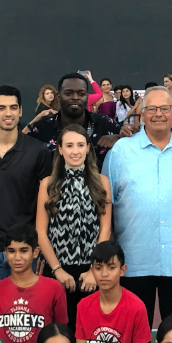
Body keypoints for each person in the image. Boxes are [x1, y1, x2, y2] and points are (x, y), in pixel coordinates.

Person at [102, 86, 172, 323]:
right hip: (131, 261)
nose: (158, 114)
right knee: (132, 333)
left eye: (165, 108)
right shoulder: (121, 152)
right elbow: (105, 206)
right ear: (141, 114)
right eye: (151, 108)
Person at [0, 85, 53, 287]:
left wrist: (42, 248)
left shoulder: (38, 150)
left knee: (26, 314)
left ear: (20, 111)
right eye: (1, 108)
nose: (7, 113)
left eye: (13, 107)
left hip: (26, 247)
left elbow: (49, 202)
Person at [37, 124, 112, 327]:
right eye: (69, 145)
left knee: (90, 329)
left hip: (90, 272)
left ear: (88, 148)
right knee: (59, 331)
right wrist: (57, 269)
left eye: (80, 145)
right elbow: (41, 232)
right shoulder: (48, 184)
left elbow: (105, 229)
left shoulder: (102, 182)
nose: (75, 151)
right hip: (58, 270)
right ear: (60, 149)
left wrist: (94, 270)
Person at [24, 73, 126, 165]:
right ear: (59, 97)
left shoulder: (105, 123)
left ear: (87, 97)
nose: (75, 97)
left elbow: (133, 143)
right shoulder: (41, 129)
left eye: (81, 94)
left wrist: (119, 139)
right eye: (68, 93)